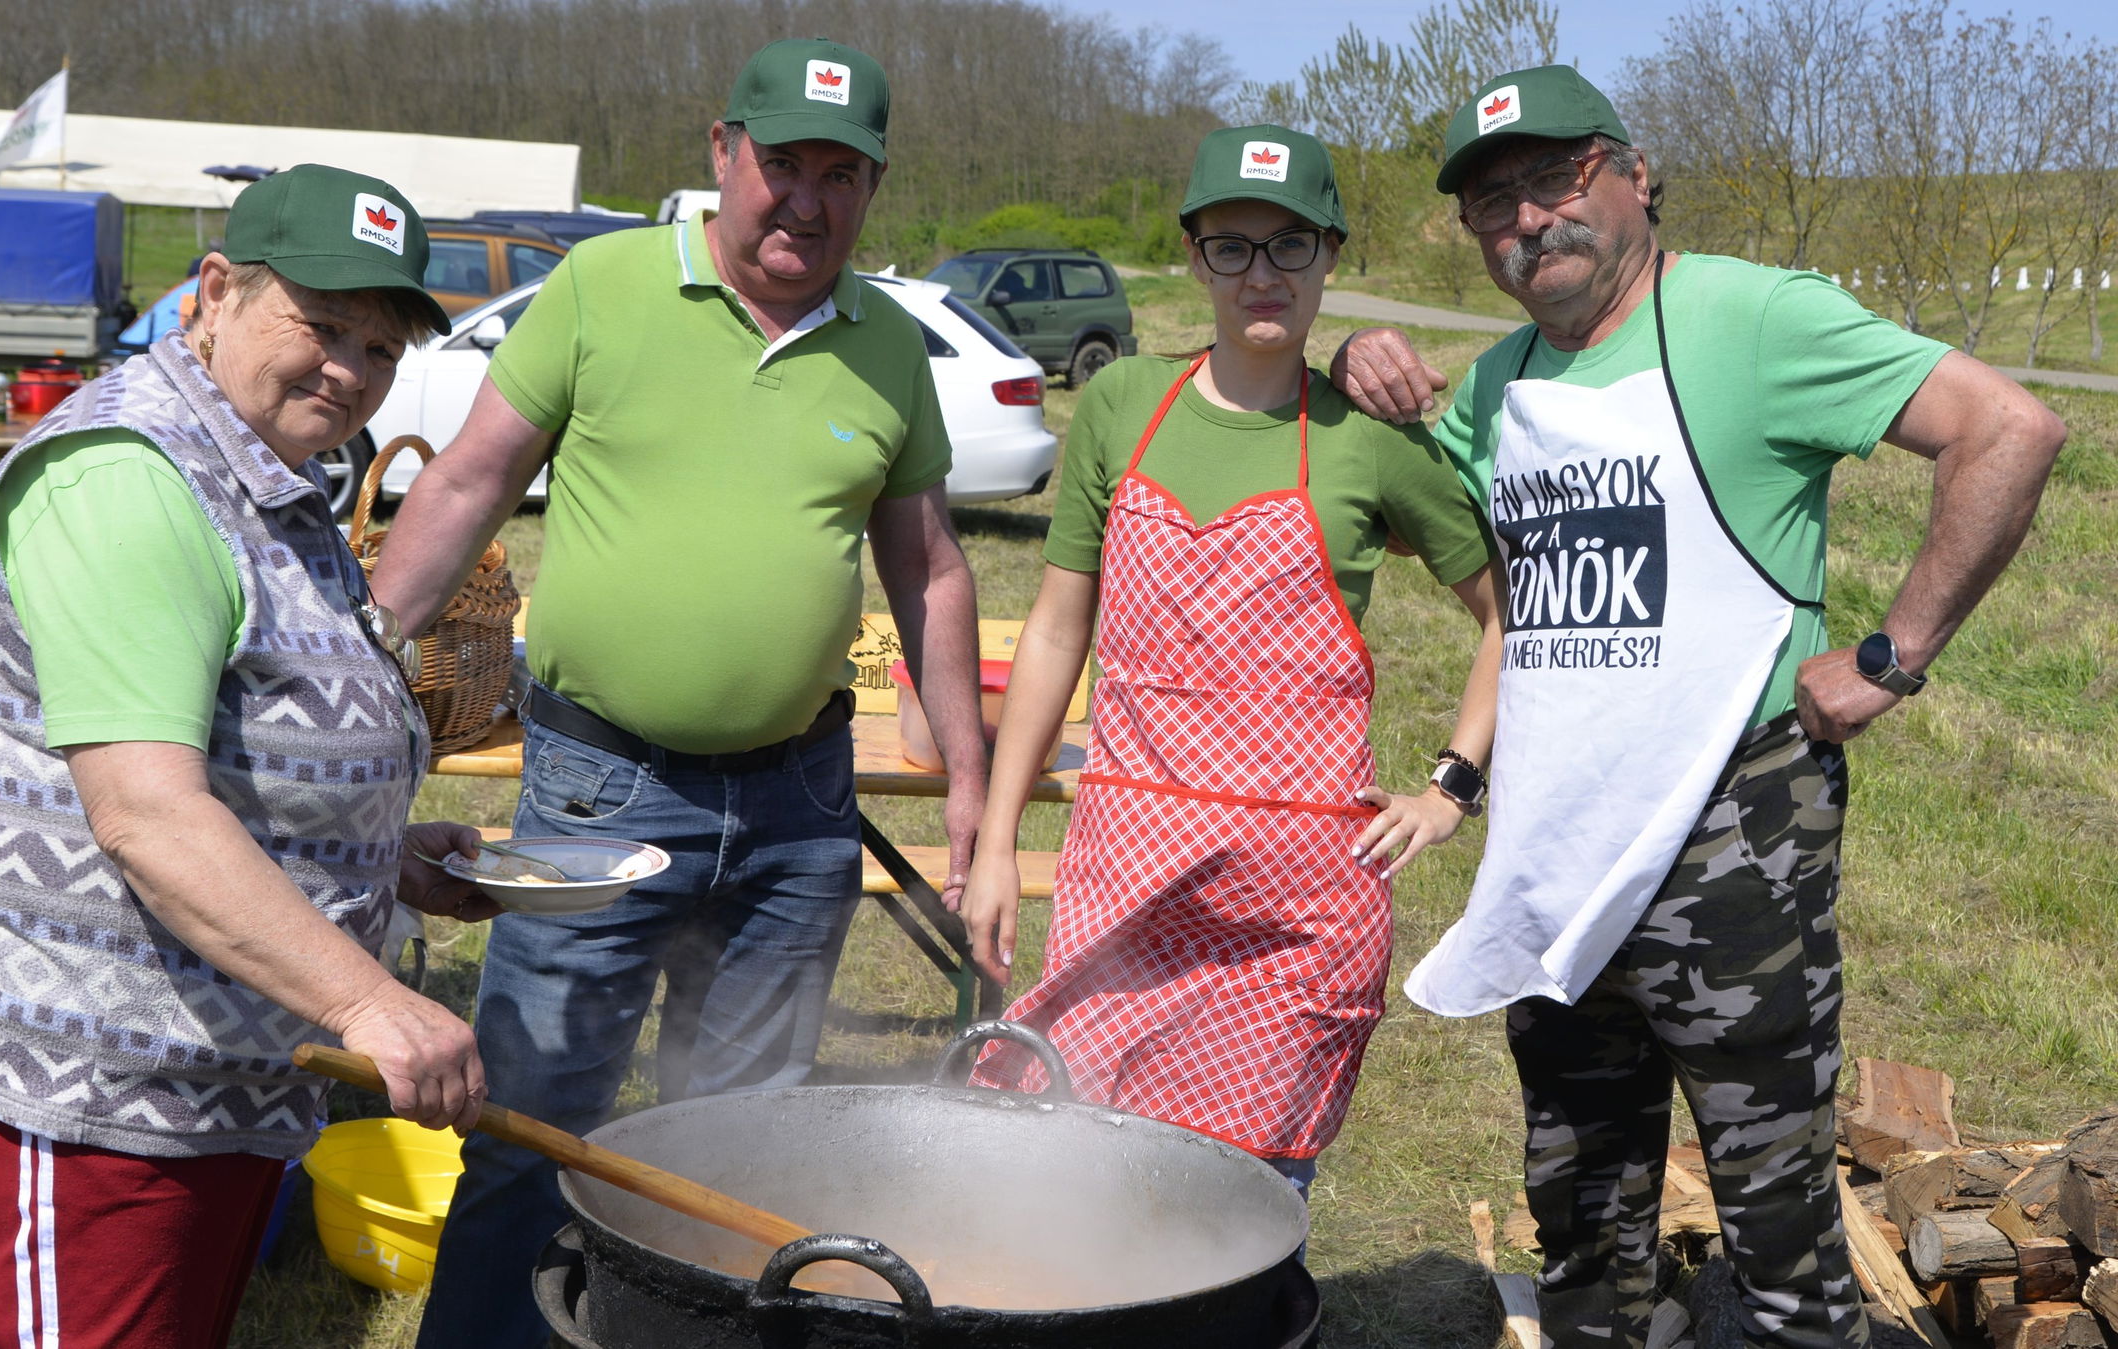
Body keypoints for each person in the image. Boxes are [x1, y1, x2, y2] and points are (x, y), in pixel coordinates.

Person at [1335, 65, 2065, 1347]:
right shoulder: (1502, 381)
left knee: (1777, 1238)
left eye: (1554, 179)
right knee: (1584, 1231)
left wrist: (1892, 653)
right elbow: (1440, 529)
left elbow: (2006, 428)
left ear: (1632, 176)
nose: (1527, 220)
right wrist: (1356, 359)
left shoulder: (1752, 315)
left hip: (1733, 861)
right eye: (1491, 201)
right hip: (1558, 866)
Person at [376, 38, 987, 1349]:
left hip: (797, 815)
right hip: (602, 792)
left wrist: (977, 786)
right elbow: (471, 478)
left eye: (842, 174)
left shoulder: (884, 341)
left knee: (736, 1159)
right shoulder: (604, 287)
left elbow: (929, 563)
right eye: (783, 165)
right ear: (723, 154)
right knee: (533, 1132)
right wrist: (369, 645)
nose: (808, 201)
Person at [0, 164, 503, 1349]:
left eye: (380, 346)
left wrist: (374, 858)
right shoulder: (130, 476)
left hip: (222, 1077)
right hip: (98, 1089)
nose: (351, 369)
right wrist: (374, 998)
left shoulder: (260, 467)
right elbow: (151, 817)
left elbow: (235, 738)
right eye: (322, 325)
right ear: (213, 292)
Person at [961, 125, 1502, 1199]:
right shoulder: (1121, 406)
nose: (1262, 273)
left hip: (1294, 909)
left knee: (1251, 1196)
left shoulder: (1368, 439)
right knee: (1081, 1173)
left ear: (1331, 256)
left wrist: (1451, 788)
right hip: (1128, 873)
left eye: (1291, 245)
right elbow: (1059, 630)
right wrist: (994, 839)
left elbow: (1514, 617)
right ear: (1196, 254)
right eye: (1233, 246)